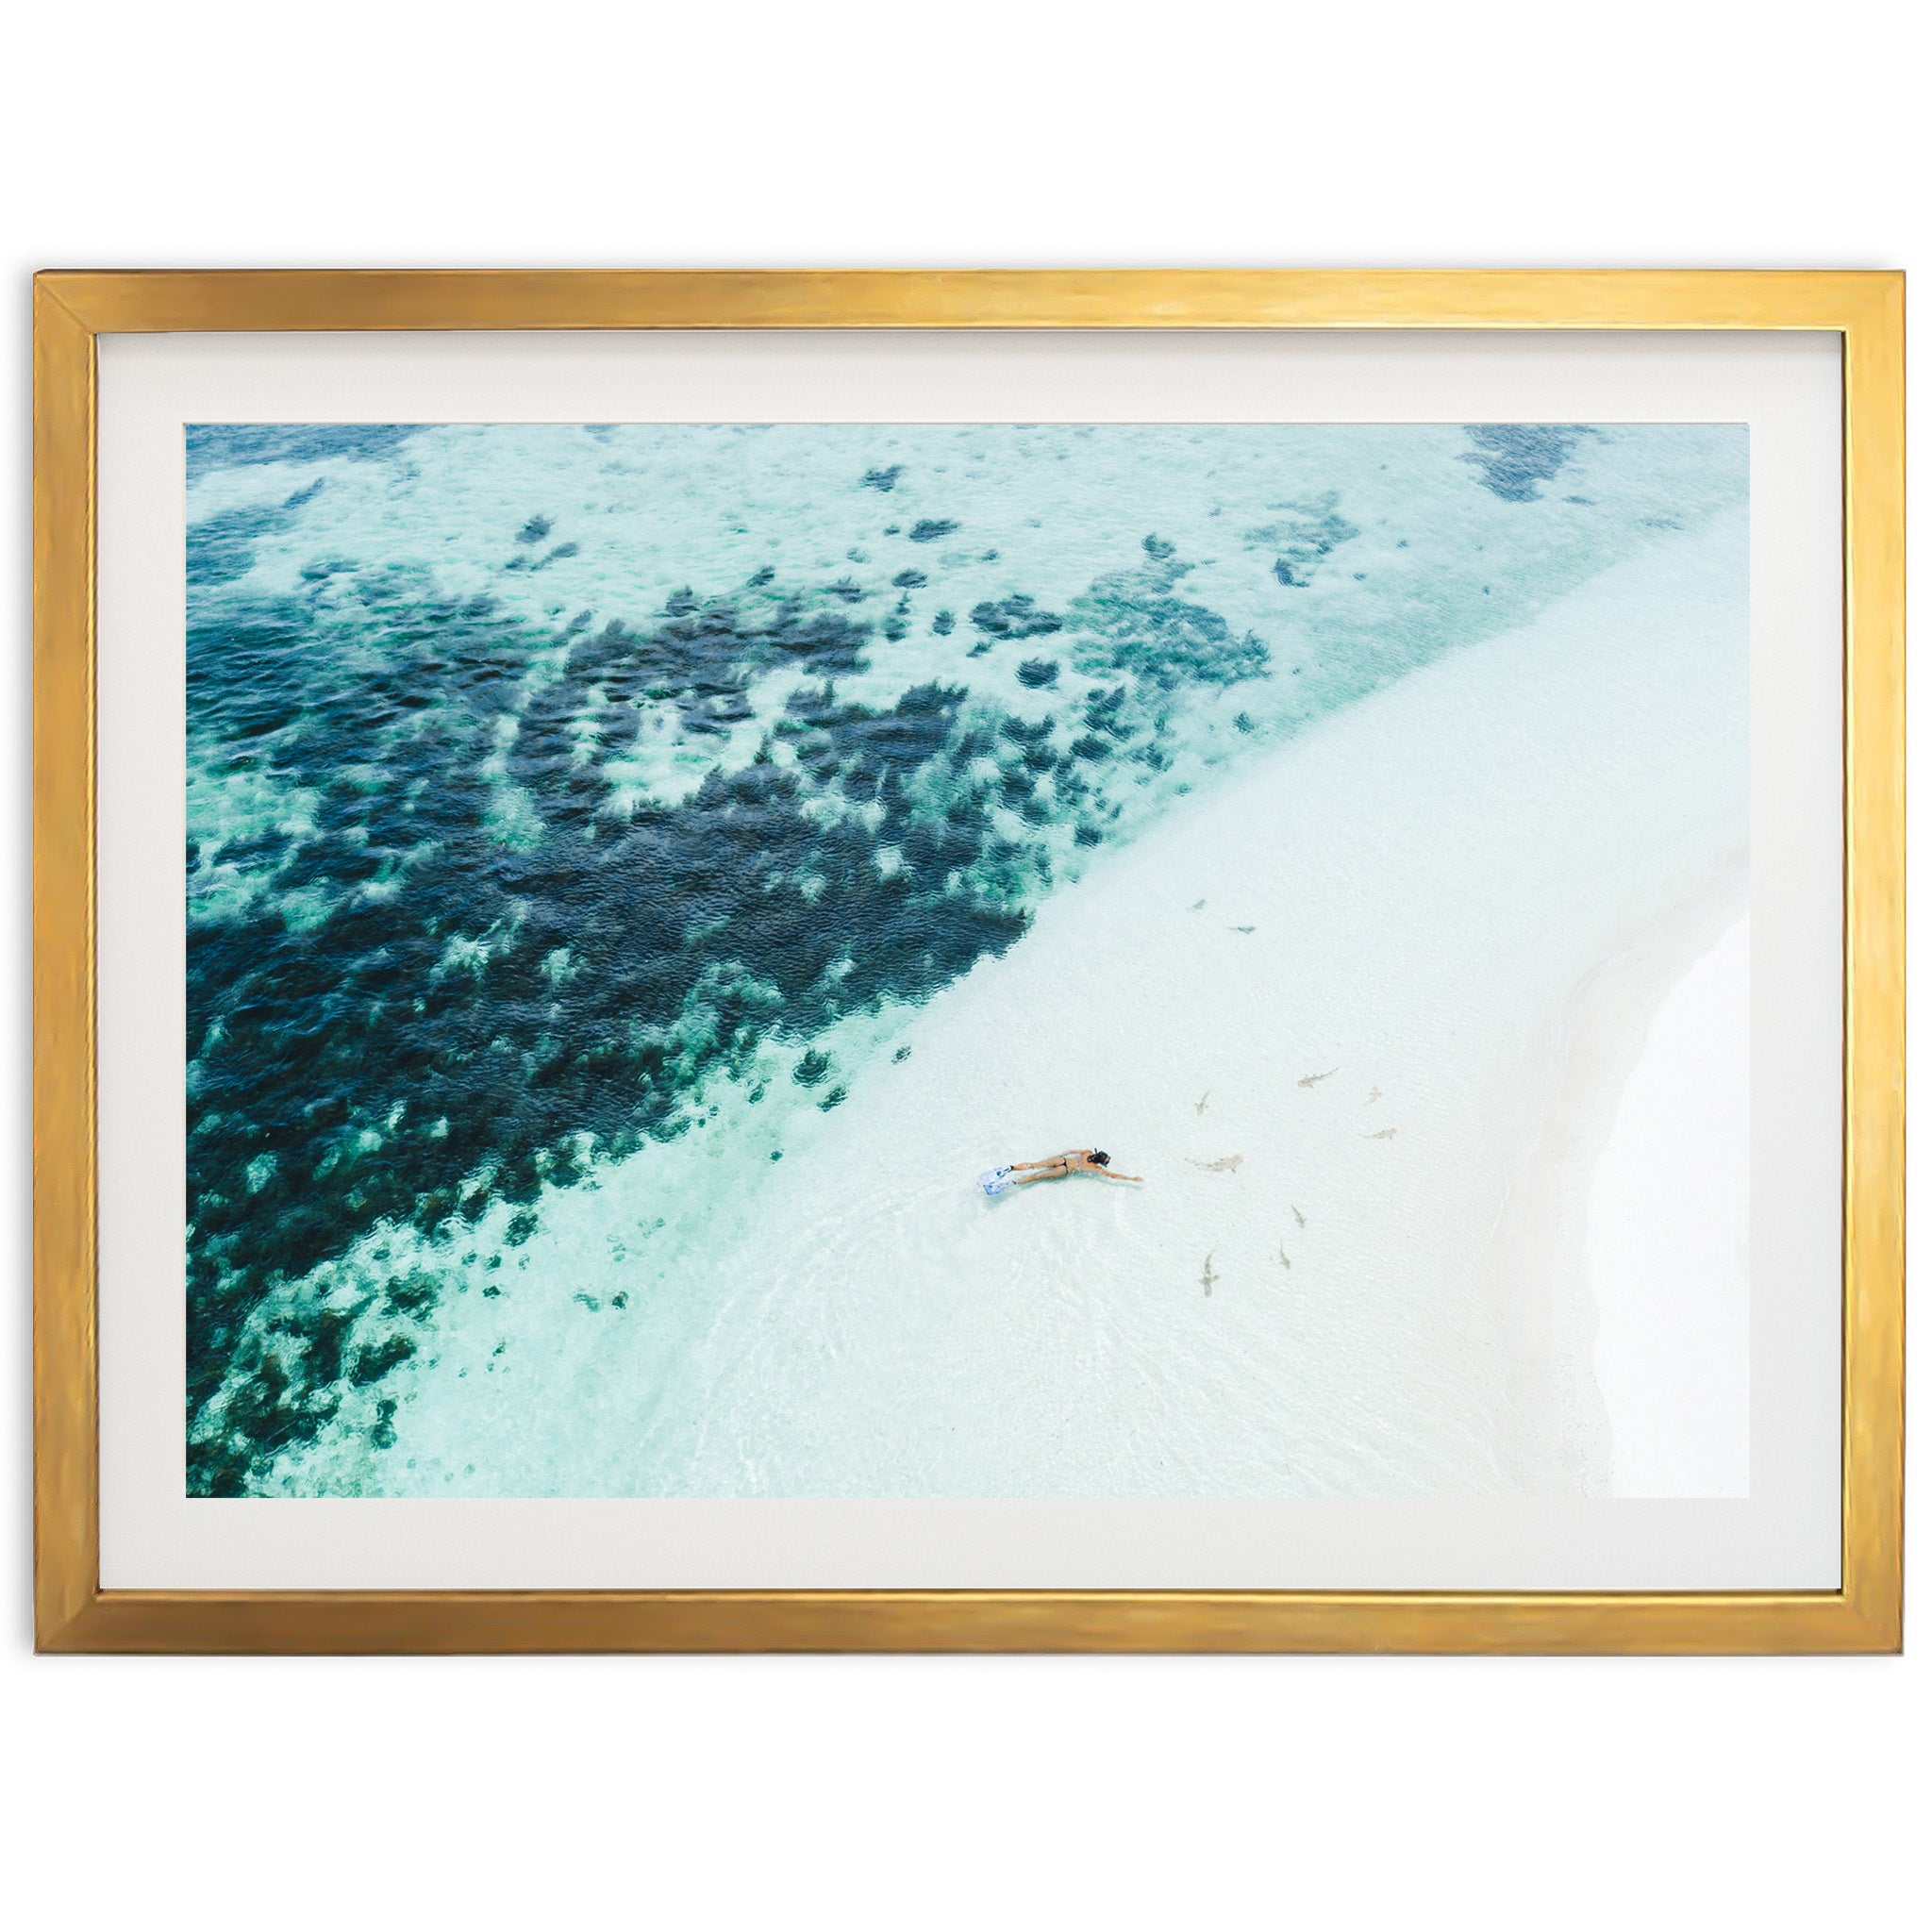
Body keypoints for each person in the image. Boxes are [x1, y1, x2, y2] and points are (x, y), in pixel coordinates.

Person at [978, 1149, 1143, 1196]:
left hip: (1061, 1160)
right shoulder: (1095, 1168)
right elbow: (1112, 1176)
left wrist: (1061, 1155)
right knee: (1036, 1177)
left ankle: (1009, 1168)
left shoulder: (1085, 1152)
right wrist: (1132, 1178)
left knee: (1034, 1165)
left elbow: (1070, 1150)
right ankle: (1010, 1183)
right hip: (1064, 1170)